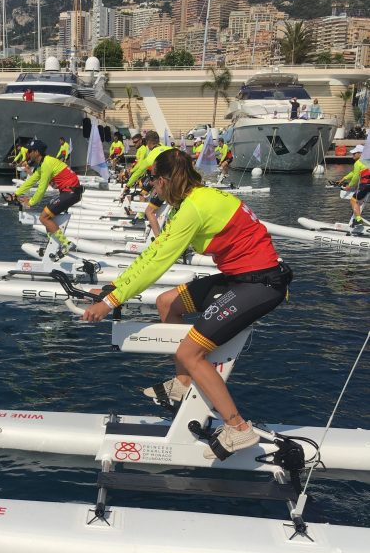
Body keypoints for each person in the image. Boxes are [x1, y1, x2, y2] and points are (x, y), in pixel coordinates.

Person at [82, 148, 292, 460]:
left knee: (190, 352)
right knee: (168, 302)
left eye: (153, 184)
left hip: (262, 285)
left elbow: (157, 264)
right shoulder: (197, 200)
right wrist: (117, 287)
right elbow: (153, 254)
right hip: (241, 277)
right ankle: (182, 383)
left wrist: (111, 302)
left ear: (164, 181)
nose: (153, 190)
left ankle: (238, 427)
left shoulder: (192, 210)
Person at [13, 139, 83, 254]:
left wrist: (30, 202)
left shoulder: (46, 164)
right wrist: (16, 194)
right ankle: (53, 246)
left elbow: (41, 189)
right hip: (69, 193)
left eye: (30, 151)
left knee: (43, 217)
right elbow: (31, 180)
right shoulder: (43, 164)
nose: (28, 153)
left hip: (70, 193)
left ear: (37, 152)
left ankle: (66, 244)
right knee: (48, 219)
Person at [337, 144, 369, 234]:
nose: (353, 155)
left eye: (354, 153)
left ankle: (358, 220)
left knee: (354, 200)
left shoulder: (358, 163)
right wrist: (344, 178)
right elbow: (354, 172)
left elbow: (355, 177)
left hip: (366, 185)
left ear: (360, 154)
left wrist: (349, 186)